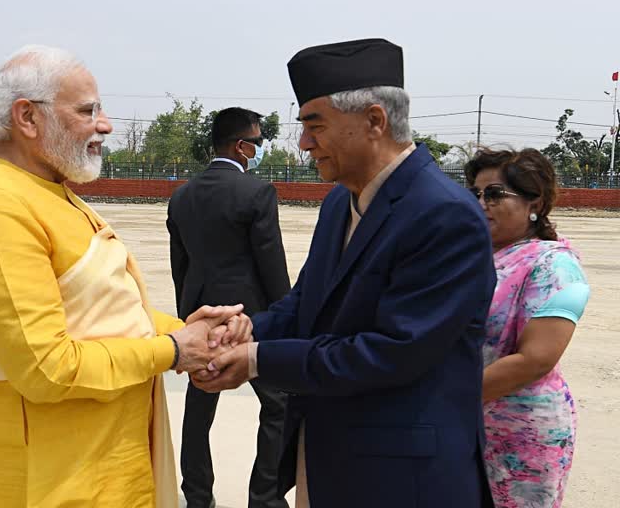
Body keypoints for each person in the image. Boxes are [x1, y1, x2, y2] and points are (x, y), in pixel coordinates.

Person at [0, 45, 250, 508]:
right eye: (87, 110)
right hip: (41, 479)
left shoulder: (51, 193)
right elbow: (45, 370)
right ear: (27, 118)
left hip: (105, 466)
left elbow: (106, 310)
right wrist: (175, 350)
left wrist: (196, 333)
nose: (105, 124)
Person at [192, 38, 498, 507]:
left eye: (315, 126)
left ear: (374, 121)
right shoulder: (340, 202)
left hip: (403, 477)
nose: (303, 143)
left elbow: (393, 352)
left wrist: (256, 359)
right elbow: (307, 303)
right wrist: (244, 328)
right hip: (327, 457)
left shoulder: (443, 215)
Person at [167, 107, 290, 508]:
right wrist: (283, 316)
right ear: (241, 146)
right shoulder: (256, 192)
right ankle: (265, 497)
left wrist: (189, 322)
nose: (257, 149)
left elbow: (179, 266)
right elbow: (270, 261)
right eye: (257, 142)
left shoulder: (182, 196)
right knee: (277, 405)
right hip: (247, 322)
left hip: (201, 321)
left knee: (199, 411)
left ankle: (198, 498)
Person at [465, 148, 590, 508]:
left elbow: (535, 360)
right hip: (465, 427)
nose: (481, 203)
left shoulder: (554, 265)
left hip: (522, 433)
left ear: (534, 201)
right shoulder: (475, 259)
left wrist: (445, 399)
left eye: (494, 194)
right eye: (475, 193)